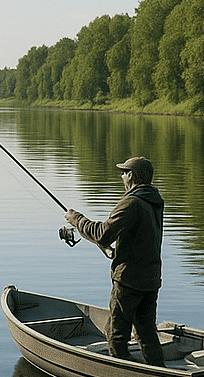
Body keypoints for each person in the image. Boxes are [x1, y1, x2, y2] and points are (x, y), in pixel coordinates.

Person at [65, 156, 166, 365]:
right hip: (151, 279)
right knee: (146, 332)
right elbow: (137, 236)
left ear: (131, 175)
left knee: (116, 332)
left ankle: (121, 373)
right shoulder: (153, 201)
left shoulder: (131, 202)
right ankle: (160, 371)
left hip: (129, 280)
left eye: (123, 172)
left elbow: (102, 233)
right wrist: (108, 249)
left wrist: (76, 219)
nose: (121, 177)